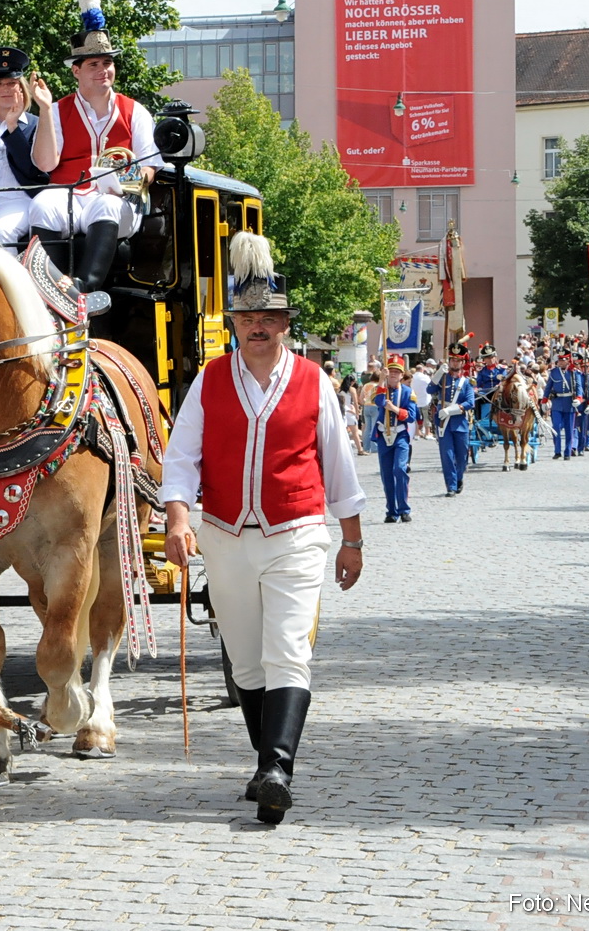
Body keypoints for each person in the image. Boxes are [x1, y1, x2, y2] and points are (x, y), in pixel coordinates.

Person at [159, 231, 364, 824]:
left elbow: (339, 467)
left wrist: (351, 540)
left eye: (269, 318)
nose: (258, 326)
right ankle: (265, 761)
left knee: (287, 652)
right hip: (224, 535)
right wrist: (178, 517)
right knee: (246, 662)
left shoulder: (315, 383)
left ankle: (277, 765)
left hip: (296, 534)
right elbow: (181, 458)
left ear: (284, 325)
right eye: (248, 316)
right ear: (235, 324)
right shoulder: (210, 381)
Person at [28, 0, 157, 292]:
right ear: (76, 70)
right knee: (43, 203)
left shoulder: (134, 110)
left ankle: (84, 289)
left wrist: (126, 183)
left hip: (120, 203)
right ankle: (47, 289)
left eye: (108, 63)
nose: (104, 70)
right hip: (71, 196)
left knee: (107, 205)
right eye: (94, 64)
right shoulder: (57, 110)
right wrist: (44, 110)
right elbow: (45, 165)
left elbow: (151, 167)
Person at [0, 48, 56, 248]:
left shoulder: (36, 125)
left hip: (20, 199)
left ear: (21, 89)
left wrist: (13, 128)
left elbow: (36, 171)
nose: (5, 89)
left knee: (1, 233)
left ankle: (7, 281)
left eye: (11, 83)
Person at [370, 356, 417, 523]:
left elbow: (411, 416)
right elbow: (379, 402)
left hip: (400, 436)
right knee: (387, 475)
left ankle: (404, 509)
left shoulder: (407, 392)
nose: (393, 375)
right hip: (384, 437)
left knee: (400, 469)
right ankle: (391, 511)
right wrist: (381, 381)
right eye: (391, 372)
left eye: (397, 372)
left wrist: (395, 409)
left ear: (402, 374)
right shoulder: (380, 388)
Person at [431, 356, 476, 495]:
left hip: (460, 422)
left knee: (462, 456)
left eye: (458, 361)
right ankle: (451, 485)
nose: (455, 363)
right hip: (444, 423)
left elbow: (470, 402)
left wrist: (451, 410)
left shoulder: (467, 382)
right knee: (447, 455)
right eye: (452, 360)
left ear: (462, 363)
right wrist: (438, 373)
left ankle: (459, 477)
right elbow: (429, 390)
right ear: (449, 362)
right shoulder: (442, 379)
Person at [545, 353, 578, 460]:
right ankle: (557, 451)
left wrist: (579, 398)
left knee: (569, 429)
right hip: (557, 403)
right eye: (560, 361)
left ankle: (567, 452)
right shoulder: (554, 372)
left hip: (570, 403)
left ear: (568, 361)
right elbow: (548, 386)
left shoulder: (573, 372)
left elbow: (579, 387)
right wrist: (544, 400)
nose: (561, 362)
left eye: (563, 361)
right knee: (556, 428)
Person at [410, 359, 433, 440]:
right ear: (422, 369)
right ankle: (427, 433)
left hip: (415, 399)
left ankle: (416, 433)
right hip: (425, 399)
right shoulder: (425, 377)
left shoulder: (412, 377)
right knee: (427, 417)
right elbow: (431, 385)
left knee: (416, 417)